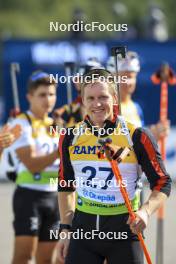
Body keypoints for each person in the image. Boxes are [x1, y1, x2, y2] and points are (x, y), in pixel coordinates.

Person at [57, 69, 171, 264]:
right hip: (83, 233)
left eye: (103, 97)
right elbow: (66, 185)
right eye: (90, 98)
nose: (97, 104)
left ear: (115, 98)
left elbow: (163, 182)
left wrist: (145, 211)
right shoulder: (70, 136)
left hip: (124, 231)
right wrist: (65, 230)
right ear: (82, 100)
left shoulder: (136, 136)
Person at [11, 71, 61, 264]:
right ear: (29, 97)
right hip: (30, 197)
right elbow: (32, 165)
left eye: (51, 94)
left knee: (46, 260)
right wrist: (59, 151)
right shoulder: (21, 123)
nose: (48, 100)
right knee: (23, 257)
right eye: (42, 94)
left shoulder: (56, 124)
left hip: (54, 198)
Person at [106, 51, 170, 140]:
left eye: (131, 77)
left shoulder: (136, 108)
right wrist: (150, 137)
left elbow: (139, 150)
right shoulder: (106, 108)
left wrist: (155, 134)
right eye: (124, 77)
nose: (129, 82)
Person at [53, 57, 104, 127]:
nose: (77, 82)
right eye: (78, 78)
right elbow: (54, 134)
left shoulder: (113, 110)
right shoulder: (66, 112)